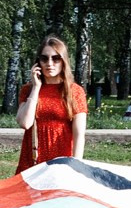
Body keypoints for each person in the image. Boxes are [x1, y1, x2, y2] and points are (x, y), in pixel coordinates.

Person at [14, 35, 88, 170]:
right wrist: (36, 88)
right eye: (44, 58)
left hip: (62, 158)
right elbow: (25, 123)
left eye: (56, 58)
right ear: (38, 62)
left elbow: (79, 134)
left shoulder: (75, 91)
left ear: (63, 61)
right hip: (32, 158)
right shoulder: (28, 90)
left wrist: (77, 165)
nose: (49, 63)